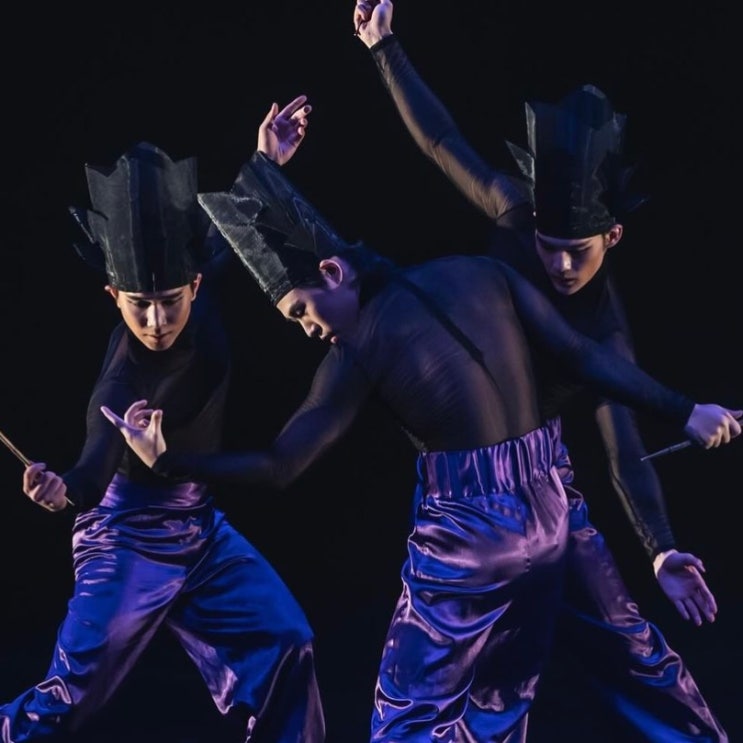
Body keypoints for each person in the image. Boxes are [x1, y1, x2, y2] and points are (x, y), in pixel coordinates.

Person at [102, 142, 741, 742]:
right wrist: (685, 410)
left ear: (333, 271)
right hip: (552, 506)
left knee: (409, 713)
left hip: (470, 530)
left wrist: (170, 459)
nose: (308, 330)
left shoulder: (359, 347)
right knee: (518, 687)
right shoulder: (482, 273)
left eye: (301, 311)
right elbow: (582, 355)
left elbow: (281, 464)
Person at [350, 3, 736, 738]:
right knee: (472, 673)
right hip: (466, 492)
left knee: (629, 643)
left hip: (548, 489)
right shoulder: (512, 215)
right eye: (547, 244)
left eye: (576, 250)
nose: (558, 264)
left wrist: (660, 549)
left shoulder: (603, 329)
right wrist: (383, 46)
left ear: (612, 236)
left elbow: (624, 449)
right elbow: (441, 142)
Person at [0, 96, 326, 743]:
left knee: (289, 642)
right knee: (68, 700)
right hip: (126, 535)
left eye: (170, 301)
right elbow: (94, 465)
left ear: (195, 286)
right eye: (139, 304)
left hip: (199, 529)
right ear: (113, 295)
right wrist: (64, 488)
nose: (156, 321)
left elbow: (234, 224)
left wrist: (265, 160)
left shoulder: (203, 284)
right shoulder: (121, 381)